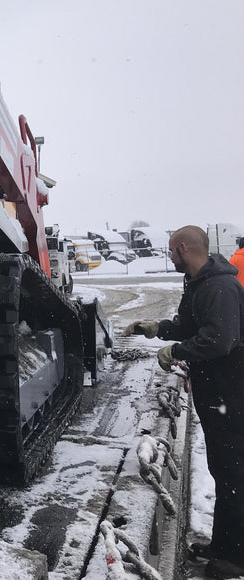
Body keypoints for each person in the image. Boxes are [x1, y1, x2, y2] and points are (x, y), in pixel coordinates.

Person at [124, 225, 244, 579]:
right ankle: (224, 545)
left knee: (234, 472)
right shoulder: (201, 283)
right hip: (218, 393)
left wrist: (175, 351)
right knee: (225, 472)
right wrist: (157, 329)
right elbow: (194, 326)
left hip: (232, 393)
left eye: (171, 250)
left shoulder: (219, 287)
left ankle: (237, 556)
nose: (169, 256)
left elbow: (219, 340)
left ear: (182, 247)